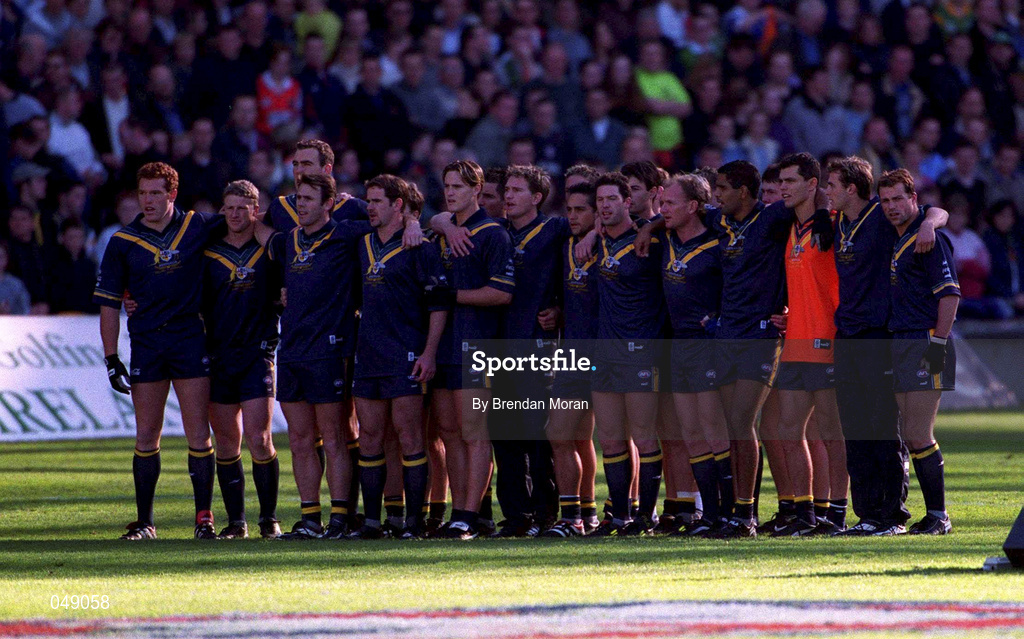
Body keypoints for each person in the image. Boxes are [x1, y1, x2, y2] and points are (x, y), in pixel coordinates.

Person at [253, 172, 420, 540]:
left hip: (330, 349)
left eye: (309, 199)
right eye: (298, 198)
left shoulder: (349, 234)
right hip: (292, 349)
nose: (301, 204)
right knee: (299, 438)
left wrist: (413, 222)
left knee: (334, 436)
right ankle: (310, 518)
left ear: (328, 204)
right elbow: (257, 231)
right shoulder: (289, 241)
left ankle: (341, 517)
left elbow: (395, 212)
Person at [93, 162, 225, 540]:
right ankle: (146, 523)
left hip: (189, 340)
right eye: (142, 193)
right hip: (148, 345)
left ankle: (204, 519)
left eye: (155, 193)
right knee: (146, 434)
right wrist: (110, 357)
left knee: (199, 433)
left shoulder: (197, 225)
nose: (147, 201)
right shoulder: (123, 241)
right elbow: (109, 303)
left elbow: (246, 218)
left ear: (172, 194)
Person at [826, 157, 947, 536]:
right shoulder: (835, 222)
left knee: (885, 428)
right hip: (847, 336)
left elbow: (935, 211)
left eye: (830, 185)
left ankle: (892, 513)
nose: (824, 192)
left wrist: (928, 222)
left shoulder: (881, 215)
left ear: (850, 188)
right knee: (856, 430)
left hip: (881, 335)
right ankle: (866, 515)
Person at [351, 174, 449, 539]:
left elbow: (438, 306)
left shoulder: (420, 247)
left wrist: (428, 353)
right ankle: (374, 522)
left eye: (377, 201)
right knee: (371, 437)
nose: (369, 207)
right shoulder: (360, 243)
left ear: (397, 205)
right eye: (368, 200)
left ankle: (414, 522)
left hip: (406, 354)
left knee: (410, 437)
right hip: (369, 354)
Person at [428, 160, 515, 539]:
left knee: (474, 432)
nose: (451, 192)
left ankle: (470, 512)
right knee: (449, 432)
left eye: (459, 187)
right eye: (447, 185)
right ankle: (461, 512)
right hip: (444, 343)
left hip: (478, 343)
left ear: (477, 190)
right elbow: (432, 219)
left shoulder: (493, 234)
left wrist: (455, 295)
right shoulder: (444, 230)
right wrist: (443, 223)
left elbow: (502, 292)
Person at [489, 164, 568, 537]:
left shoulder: (554, 229)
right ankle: (516, 515)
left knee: (537, 435)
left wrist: (560, 309)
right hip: (498, 345)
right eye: (507, 189)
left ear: (537, 197)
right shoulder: (496, 231)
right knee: (503, 434)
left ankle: (546, 513)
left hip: (536, 345)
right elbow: (439, 220)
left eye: (517, 190)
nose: (508, 195)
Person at [880, 168, 960, 535]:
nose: (892, 206)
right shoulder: (900, 238)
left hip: (927, 340)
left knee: (919, 432)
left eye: (899, 198)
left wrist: (940, 345)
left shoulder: (929, 239)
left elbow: (949, 295)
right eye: (885, 201)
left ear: (914, 199)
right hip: (903, 340)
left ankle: (940, 515)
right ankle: (931, 514)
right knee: (911, 433)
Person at [771, 152, 847, 537]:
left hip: (828, 341)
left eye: (789, 180)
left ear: (812, 184)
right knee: (789, 430)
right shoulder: (789, 228)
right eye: (780, 181)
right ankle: (805, 513)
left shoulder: (833, 225)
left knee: (832, 431)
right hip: (796, 342)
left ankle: (837, 513)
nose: (783, 187)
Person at [203, 180, 282, 539]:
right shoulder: (207, 251)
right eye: (229, 207)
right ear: (223, 210)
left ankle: (269, 518)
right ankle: (237, 522)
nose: (235, 214)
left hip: (257, 355)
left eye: (242, 208)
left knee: (259, 437)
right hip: (218, 356)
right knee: (226, 441)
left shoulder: (268, 249)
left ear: (256, 211)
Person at [589, 172, 665, 536]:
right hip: (604, 351)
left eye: (611, 199)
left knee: (645, 436)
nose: (604, 206)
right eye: (599, 200)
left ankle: (646, 517)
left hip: (641, 350)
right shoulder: (596, 241)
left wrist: (650, 228)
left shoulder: (651, 238)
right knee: (610, 438)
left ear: (627, 202)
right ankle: (619, 515)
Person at [657, 173, 733, 537]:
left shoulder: (718, 243)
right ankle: (710, 514)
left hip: (708, 348)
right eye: (662, 202)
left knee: (715, 432)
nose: (662, 209)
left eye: (670, 203)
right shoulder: (664, 237)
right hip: (677, 347)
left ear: (692, 206)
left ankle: (732, 512)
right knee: (691, 434)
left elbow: (735, 290)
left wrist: (717, 320)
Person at [545, 181, 600, 537]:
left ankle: (610, 513)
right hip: (573, 354)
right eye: (570, 210)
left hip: (608, 355)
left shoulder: (616, 244)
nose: (573, 217)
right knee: (565, 433)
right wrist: (557, 313)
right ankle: (576, 515)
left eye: (581, 210)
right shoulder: (564, 247)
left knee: (612, 438)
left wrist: (596, 234)